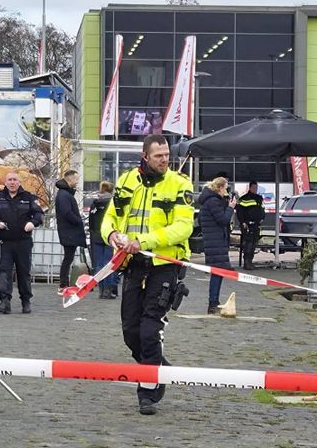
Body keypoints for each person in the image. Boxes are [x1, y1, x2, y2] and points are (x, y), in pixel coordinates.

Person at [101, 134, 195, 416]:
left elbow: (183, 227)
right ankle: (159, 368)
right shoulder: (127, 181)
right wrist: (113, 235)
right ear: (145, 156)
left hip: (166, 264)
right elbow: (110, 219)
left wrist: (144, 241)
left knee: (150, 328)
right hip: (133, 264)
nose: (165, 160)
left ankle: (148, 391)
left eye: (167, 155)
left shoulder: (180, 184)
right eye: (159, 156)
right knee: (131, 332)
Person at [0, 170, 44, 314]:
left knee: (23, 272)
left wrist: (32, 222)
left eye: (14, 180)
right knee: (4, 271)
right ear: (5, 182)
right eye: (9, 180)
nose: (12, 182)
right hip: (5, 242)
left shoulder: (28, 198)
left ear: (19, 182)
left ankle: (26, 301)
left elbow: (38, 214)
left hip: (23, 242)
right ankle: (4, 301)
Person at [197, 176, 236, 314]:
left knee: (219, 272)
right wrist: (231, 208)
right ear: (220, 188)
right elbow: (223, 219)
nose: (227, 191)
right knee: (216, 272)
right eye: (225, 188)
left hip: (214, 241)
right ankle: (213, 302)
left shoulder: (211, 201)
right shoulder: (213, 202)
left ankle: (215, 301)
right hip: (215, 242)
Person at [54, 169, 87, 292]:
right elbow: (67, 212)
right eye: (76, 179)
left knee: (68, 257)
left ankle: (64, 283)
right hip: (69, 231)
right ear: (70, 179)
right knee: (68, 258)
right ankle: (63, 284)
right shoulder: (64, 194)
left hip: (69, 231)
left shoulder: (65, 194)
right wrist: (78, 220)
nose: (77, 181)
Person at [88, 181, 118, 299]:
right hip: (109, 235)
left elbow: (90, 221)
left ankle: (101, 289)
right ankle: (108, 289)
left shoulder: (94, 203)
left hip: (95, 236)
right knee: (110, 262)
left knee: (98, 264)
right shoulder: (112, 203)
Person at [235, 182, 265, 270]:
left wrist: (262, 218)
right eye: (254, 187)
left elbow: (262, 209)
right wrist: (243, 222)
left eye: (256, 187)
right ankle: (247, 262)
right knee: (248, 243)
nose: (255, 189)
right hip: (247, 225)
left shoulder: (259, 198)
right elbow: (239, 212)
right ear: (250, 187)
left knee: (253, 244)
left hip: (256, 224)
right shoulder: (244, 198)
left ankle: (250, 261)